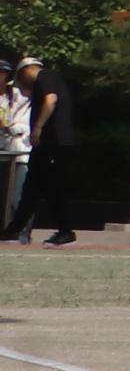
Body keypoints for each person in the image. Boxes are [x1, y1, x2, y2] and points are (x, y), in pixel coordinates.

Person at [6, 59, 75, 241]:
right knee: (33, 187)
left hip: (55, 143)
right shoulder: (43, 83)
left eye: (20, 77)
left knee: (51, 187)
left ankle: (65, 230)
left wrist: (37, 128)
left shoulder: (46, 76)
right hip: (47, 144)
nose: (21, 83)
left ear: (26, 70)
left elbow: (51, 100)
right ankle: (14, 229)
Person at [0, 57, 35, 240]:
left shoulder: (21, 97)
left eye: (2, 74)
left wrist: (11, 128)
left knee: (17, 198)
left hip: (19, 152)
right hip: (3, 152)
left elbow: (27, 125)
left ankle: (21, 235)